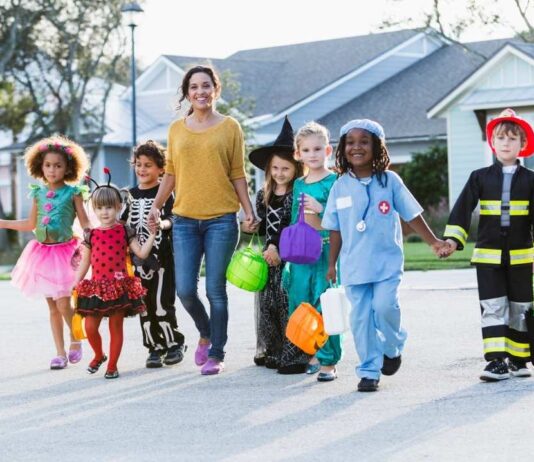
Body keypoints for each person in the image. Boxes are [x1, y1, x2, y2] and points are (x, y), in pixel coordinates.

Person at [147, 65, 256, 375]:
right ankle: (206, 333)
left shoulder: (230, 127)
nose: (200, 92)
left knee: (215, 290)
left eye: (206, 85)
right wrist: (156, 206)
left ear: (215, 89)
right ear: (187, 93)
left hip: (222, 219)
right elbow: (170, 173)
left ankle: (217, 353)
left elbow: (237, 172)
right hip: (183, 220)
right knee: (184, 290)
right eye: (194, 87)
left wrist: (247, 210)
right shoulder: (176, 129)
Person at [322, 119, 445, 392]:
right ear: (343, 149)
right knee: (361, 319)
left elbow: (412, 214)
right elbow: (335, 228)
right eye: (350, 143)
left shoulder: (390, 181)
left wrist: (434, 242)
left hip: (386, 264)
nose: (357, 147)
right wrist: (331, 263)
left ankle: (392, 345)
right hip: (354, 266)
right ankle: (368, 371)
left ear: (376, 147)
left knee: (385, 306)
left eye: (364, 142)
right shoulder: (340, 185)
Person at [441, 108, 534, 382]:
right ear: (492, 142)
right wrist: (452, 239)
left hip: (520, 258)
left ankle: (518, 360)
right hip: (488, 257)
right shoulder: (479, 177)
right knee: (493, 306)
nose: (506, 143)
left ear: (523, 145)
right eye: (500, 138)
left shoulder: (531, 180)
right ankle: (496, 361)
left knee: (521, 307)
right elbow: (462, 210)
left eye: (512, 139)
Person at [0, 136, 90, 369]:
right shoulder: (38, 193)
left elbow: (85, 222)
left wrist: (95, 240)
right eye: (48, 165)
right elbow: (30, 224)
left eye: (58, 165)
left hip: (65, 254)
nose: (52, 169)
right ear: (40, 166)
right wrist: (4, 223)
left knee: (63, 304)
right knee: (52, 307)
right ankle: (59, 353)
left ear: (68, 168)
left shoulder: (73, 193)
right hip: (42, 254)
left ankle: (76, 337)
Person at [75, 171, 156, 379]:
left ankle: (112, 365)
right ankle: (99, 354)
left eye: (109, 207)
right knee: (90, 326)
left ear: (118, 208)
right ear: (94, 209)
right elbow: (85, 262)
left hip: (119, 286)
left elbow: (141, 253)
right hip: (97, 287)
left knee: (115, 326)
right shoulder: (91, 234)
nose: (105, 212)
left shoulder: (124, 230)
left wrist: (153, 234)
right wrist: (75, 282)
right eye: (100, 208)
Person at [280, 121, 342, 380]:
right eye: (306, 150)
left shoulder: (335, 181)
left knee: (325, 303)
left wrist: (322, 207)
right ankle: (313, 350)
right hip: (302, 255)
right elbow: (295, 219)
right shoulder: (299, 184)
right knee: (300, 302)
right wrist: (288, 259)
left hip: (326, 251)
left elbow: (341, 218)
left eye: (318, 149)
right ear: (298, 154)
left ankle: (328, 361)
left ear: (328, 151)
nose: (312, 155)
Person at [244, 116, 303, 370]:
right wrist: (251, 228)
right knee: (267, 303)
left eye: (286, 169)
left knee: (285, 301)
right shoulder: (263, 195)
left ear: (296, 170)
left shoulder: (296, 195)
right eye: (275, 168)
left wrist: (276, 247)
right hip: (268, 258)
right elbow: (265, 225)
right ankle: (271, 347)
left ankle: (289, 349)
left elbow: (287, 226)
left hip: (286, 255)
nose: (280, 173)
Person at [121, 140, 186, 369]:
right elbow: (121, 223)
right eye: (138, 164)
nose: (142, 169)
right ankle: (153, 348)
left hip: (162, 258)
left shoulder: (166, 193)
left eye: (148, 165)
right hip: (137, 259)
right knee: (144, 305)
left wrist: (163, 224)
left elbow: (174, 218)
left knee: (161, 303)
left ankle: (173, 344)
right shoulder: (130, 195)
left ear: (161, 169)